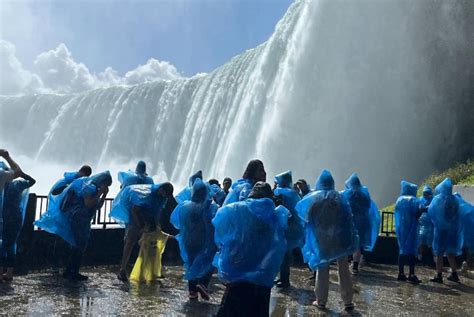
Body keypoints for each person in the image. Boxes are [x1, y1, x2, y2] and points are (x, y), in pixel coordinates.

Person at [213, 182, 288, 317]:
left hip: (237, 274)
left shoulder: (237, 210)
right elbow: (278, 247)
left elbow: (221, 232)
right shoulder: (275, 217)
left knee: (231, 310)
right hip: (261, 278)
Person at [296, 170, 358, 312]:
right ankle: (348, 301)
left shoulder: (315, 199)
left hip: (322, 239)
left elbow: (308, 219)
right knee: (344, 269)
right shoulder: (340, 198)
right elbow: (349, 220)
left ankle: (321, 301)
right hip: (340, 239)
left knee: (322, 269)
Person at [35, 171, 112, 281]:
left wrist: (104, 194)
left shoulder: (94, 188)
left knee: (79, 245)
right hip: (77, 219)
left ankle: (71, 271)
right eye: (106, 184)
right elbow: (88, 204)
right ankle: (72, 272)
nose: (106, 187)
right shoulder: (89, 187)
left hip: (84, 220)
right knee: (78, 245)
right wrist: (100, 193)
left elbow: (97, 206)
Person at [110, 182, 174, 282]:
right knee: (130, 242)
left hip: (149, 221)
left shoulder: (162, 198)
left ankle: (153, 270)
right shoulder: (146, 196)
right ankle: (122, 270)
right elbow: (134, 210)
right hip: (136, 220)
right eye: (165, 194)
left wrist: (157, 225)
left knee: (151, 245)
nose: (165, 197)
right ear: (161, 189)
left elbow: (158, 211)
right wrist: (140, 225)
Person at [171, 178, 218, 300]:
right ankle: (202, 283)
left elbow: (176, 222)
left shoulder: (184, 206)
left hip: (188, 240)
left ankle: (192, 291)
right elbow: (215, 223)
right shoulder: (210, 206)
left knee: (191, 263)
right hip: (204, 240)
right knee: (209, 262)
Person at [0, 165, 35, 282]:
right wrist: (22, 174)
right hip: (15, 217)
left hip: (6, 217)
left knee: (4, 244)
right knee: (9, 244)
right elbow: (32, 181)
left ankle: (3, 272)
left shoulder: (7, 184)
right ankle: (9, 273)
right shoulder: (18, 184)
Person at [342, 173, 380, 274]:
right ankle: (355, 266)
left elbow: (343, 206)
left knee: (348, 243)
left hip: (351, 221)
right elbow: (368, 206)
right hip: (364, 222)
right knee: (359, 245)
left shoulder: (348, 194)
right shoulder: (364, 193)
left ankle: (346, 265)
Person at [428, 178, 463, 283]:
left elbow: (431, 212)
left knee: (439, 253)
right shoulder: (455, 199)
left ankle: (439, 275)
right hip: (452, 231)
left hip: (441, 230)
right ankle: (454, 274)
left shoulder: (438, 199)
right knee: (450, 253)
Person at [273, 170, 303, 288]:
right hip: (289, 227)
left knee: (285, 255)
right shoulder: (292, 193)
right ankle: (282, 278)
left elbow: (278, 193)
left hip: (289, 228)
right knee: (284, 254)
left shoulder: (288, 193)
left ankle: (284, 280)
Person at [394, 181, 422, 284]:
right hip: (412, 228)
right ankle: (411, 274)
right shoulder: (415, 200)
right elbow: (417, 214)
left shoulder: (399, 200)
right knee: (411, 251)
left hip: (401, 229)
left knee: (402, 250)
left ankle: (401, 273)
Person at [129, 216, 172, 283]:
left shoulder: (147, 234)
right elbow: (166, 236)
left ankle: (144, 276)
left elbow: (139, 242)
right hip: (152, 253)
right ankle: (148, 276)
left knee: (144, 265)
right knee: (149, 265)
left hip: (145, 253)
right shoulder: (155, 233)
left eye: (146, 225)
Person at [418, 185, 435, 266]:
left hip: (431, 226)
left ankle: (433, 261)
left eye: (427, 193)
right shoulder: (421, 199)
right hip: (423, 225)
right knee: (421, 243)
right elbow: (419, 208)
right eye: (424, 193)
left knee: (430, 245)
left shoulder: (434, 200)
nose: (425, 195)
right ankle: (420, 259)